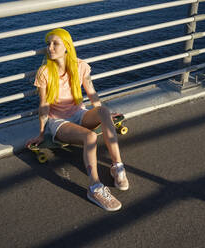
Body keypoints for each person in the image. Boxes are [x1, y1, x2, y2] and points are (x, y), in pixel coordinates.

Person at [26, 28, 129, 211]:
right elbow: (43, 106)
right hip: (57, 122)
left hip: (79, 113)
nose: (50, 48)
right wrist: (42, 133)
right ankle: (95, 187)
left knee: (104, 111)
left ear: (66, 46)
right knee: (90, 137)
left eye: (55, 43)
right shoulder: (44, 72)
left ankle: (117, 167)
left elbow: (92, 93)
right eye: (48, 44)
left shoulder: (80, 66)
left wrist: (103, 115)